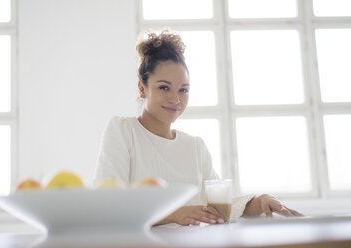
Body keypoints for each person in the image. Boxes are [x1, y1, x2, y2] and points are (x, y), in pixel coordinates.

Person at [93, 29, 302, 226]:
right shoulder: (123, 131)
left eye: (183, 90)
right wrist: (175, 214)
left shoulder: (195, 147)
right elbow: (108, 207)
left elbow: (222, 206)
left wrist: (259, 201)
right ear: (142, 88)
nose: (175, 99)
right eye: (164, 87)